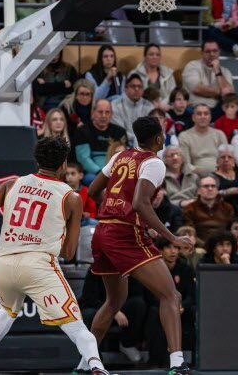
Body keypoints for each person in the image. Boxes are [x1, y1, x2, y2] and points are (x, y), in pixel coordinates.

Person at [0, 137, 112, 375]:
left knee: (7, 309)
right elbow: (70, 252)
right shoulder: (71, 197)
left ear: (37, 160)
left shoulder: (13, 184)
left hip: (3, 262)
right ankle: (96, 366)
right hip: (38, 264)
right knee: (76, 324)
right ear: (63, 165)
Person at [84, 117, 195, 374]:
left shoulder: (121, 156)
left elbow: (92, 191)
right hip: (124, 233)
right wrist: (172, 237)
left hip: (102, 231)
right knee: (171, 295)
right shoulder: (154, 163)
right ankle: (177, 364)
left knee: (114, 301)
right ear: (158, 138)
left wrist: (113, 205)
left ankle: (85, 363)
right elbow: (140, 204)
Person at [75, 99, 128, 185]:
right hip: (93, 173)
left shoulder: (120, 131)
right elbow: (83, 158)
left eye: (107, 112)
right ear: (93, 113)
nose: (104, 115)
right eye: (100, 112)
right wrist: (101, 174)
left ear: (111, 114)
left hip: (116, 171)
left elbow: (125, 157)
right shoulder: (82, 131)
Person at [182, 40, 236, 112]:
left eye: (215, 51)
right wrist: (221, 92)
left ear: (219, 52)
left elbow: (230, 94)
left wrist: (217, 71)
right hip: (196, 107)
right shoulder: (192, 66)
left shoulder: (225, 71)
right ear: (202, 53)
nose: (212, 54)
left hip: (218, 108)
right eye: (208, 51)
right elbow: (197, 89)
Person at [177, 104, 229, 175]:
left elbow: (227, 159)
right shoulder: (184, 136)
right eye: (199, 114)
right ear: (193, 117)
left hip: (219, 174)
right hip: (195, 175)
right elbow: (185, 165)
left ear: (210, 117)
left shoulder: (219, 134)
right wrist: (203, 173)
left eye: (206, 114)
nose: (203, 117)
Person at [110, 74, 155, 146]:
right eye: (133, 86)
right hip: (121, 143)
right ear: (125, 89)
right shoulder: (115, 106)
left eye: (139, 87)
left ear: (143, 90)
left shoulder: (149, 107)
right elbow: (119, 131)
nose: (136, 89)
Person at [212, 145, 238, 210]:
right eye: (223, 157)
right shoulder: (212, 178)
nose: (226, 160)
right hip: (221, 210)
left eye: (230, 157)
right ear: (217, 161)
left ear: (234, 161)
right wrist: (226, 192)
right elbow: (208, 194)